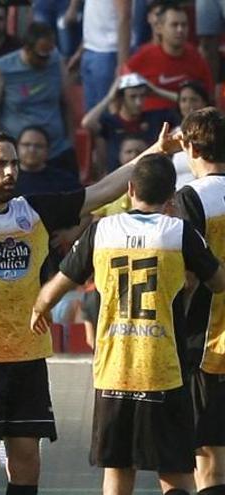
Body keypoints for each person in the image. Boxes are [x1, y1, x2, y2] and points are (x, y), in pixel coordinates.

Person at [0, 123, 178, 494]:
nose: (11, 171)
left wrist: (156, 151)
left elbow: (102, 191)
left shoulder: (35, 211)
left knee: (27, 466)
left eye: (14, 163)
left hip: (28, 358)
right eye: (0, 164)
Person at [32, 153, 225, 495]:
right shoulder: (178, 232)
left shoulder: (102, 230)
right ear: (171, 198)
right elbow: (218, 281)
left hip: (114, 370)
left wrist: (40, 307)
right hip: (164, 368)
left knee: (118, 472)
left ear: (131, 189)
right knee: (175, 473)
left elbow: (60, 283)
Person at [172, 107, 225, 495]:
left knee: (208, 465)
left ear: (190, 146)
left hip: (208, 344)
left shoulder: (191, 196)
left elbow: (188, 278)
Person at [0, 21, 76, 174]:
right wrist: (0, 150)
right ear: (27, 48)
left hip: (57, 149)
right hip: (18, 153)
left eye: (49, 53)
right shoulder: (2, 68)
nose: (46, 59)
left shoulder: (56, 61)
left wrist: (71, 142)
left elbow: (67, 103)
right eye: (41, 55)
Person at [81, 73, 177, 173]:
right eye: (133, 97)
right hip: (117, 177)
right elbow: (87, 122)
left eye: (142, 96)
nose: (138, 102)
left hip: (150, 176)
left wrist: (156, 91)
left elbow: (187, 106)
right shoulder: (110, 122)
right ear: (121, 98)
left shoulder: (155, 117)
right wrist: (109, 97)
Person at [126, 3, 213, 113]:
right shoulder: (142, 57)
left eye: (184, 25)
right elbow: (120, 95)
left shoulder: (196, 57)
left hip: (186, 122)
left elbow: (209, 96)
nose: (180, 30)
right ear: (159, 28)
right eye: (174, 25)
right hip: (152, 122)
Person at [79, 0, 131, 111]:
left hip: (108, 52)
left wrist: (122, 64)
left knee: (106, 113)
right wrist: (81, 50)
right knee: (91, 112)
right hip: (91, 48)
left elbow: (125, 16)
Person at [15, 126, 81, 196]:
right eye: (26, 145)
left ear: (48, 150)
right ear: (16, 148)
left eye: (38, 146)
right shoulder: (7, 181)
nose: (32, 150)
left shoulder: (65, 181)